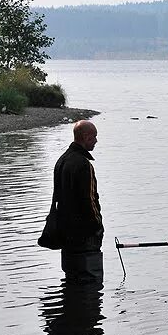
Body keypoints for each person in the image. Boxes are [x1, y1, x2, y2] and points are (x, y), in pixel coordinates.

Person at [53, 120, 104, 283]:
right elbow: (89, 200)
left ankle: (71, 307)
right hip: (85, 235)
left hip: (65, 233)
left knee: (72, 280)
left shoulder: (62, 161)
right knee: (90, 284)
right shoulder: (83, 164)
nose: (96, 140)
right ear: (86, 137)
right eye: (94, 136)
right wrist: (98, 226)